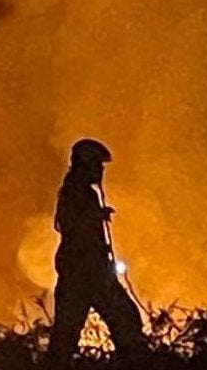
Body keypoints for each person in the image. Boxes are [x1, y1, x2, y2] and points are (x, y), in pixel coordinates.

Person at [48, 137, 146, 356]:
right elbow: (69, 225)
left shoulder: (81, 192)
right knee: (123, 319)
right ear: (86, 165)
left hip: (89, 271)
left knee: (70, 331)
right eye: (97, 165)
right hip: (84, 272)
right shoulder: (75, 193)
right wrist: (95, 215)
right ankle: (137, 369)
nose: (101, 170)